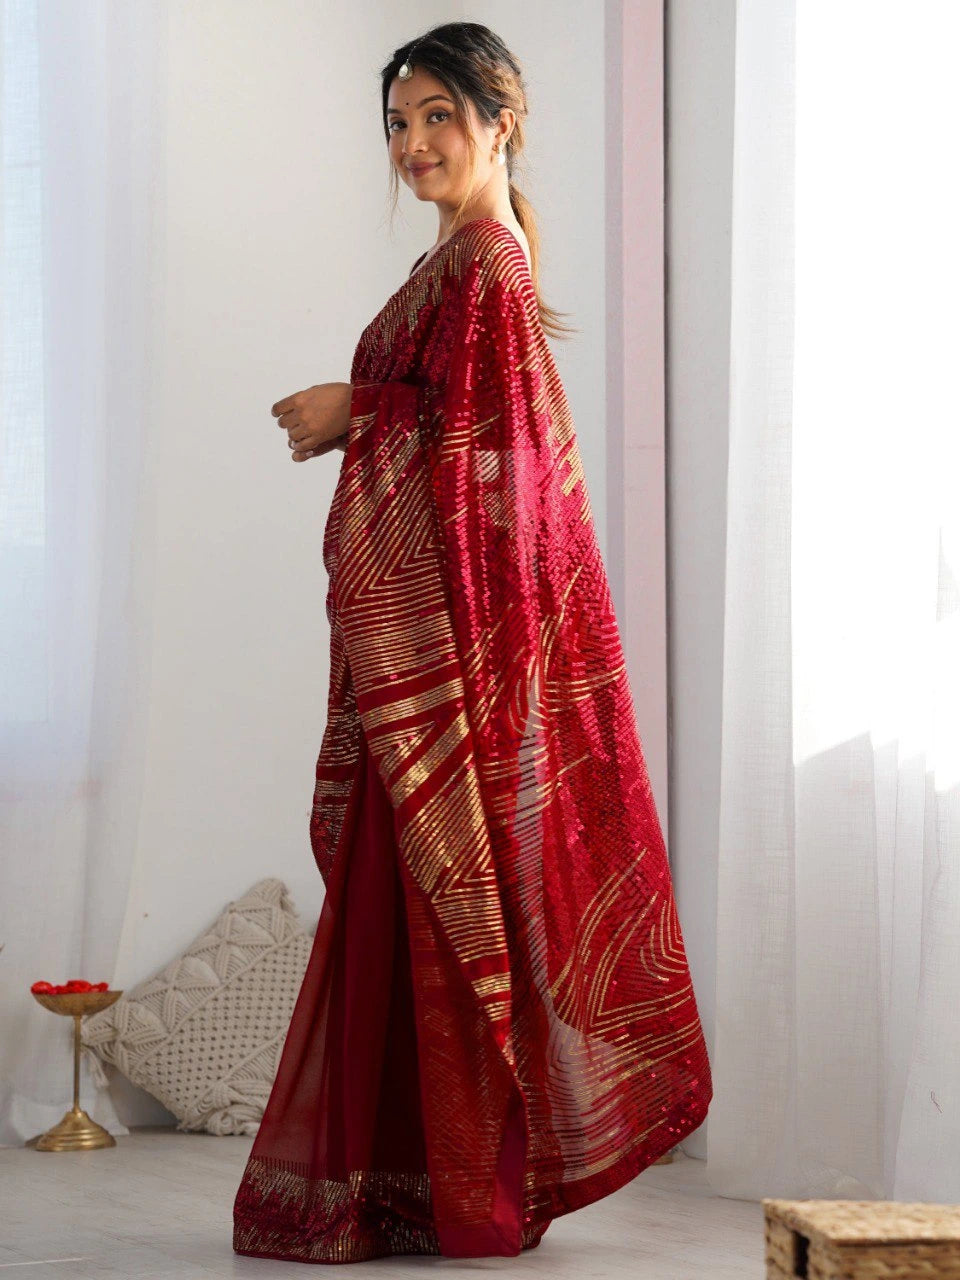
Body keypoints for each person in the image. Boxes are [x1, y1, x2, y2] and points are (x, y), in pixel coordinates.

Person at [232, 22, 713, 1265]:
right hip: (426, 648)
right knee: (416, 919)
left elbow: (495, 472)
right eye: (398, 123)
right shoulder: (458, 263)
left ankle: (459, 1189)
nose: (414, 144)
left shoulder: (489, 264)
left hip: (453, 657)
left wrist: (361, 411)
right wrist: (380, 414)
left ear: (503, 117)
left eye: (439, 115)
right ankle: (418, 1183)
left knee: (444, 920)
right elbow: (472, 443)